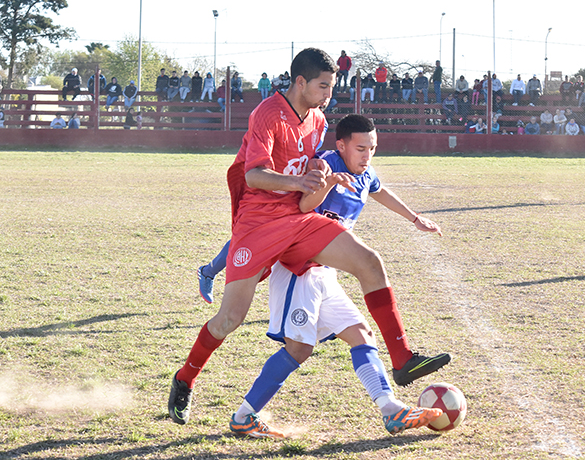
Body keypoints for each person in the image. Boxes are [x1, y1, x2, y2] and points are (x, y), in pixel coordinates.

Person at [169, 48, 450, 426]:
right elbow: (254, 175)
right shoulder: (267, 114)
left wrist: (318, 172)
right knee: (229, 318)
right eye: (323, 86)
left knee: (370, 263)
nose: (328, 94)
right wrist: (299, 181)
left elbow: (313, 165)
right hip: (258, 224)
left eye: (331, 87)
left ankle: (402, 359)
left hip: (297, 217)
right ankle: (185, 379)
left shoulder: (317, 119)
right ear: (300, 82)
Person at [229, 114, 444, 439]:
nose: (366, 155)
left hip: (324, 274)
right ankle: (245, 416)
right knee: (298, 348)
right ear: (341, 145)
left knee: (362, 335)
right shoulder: (324, 165)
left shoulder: (365, 173)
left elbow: (380, 190)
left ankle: (391, 410)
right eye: (360, 148)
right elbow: (303, 206)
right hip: (297, 271)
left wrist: (414, 219)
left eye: (372, 148)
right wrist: (327, 182)